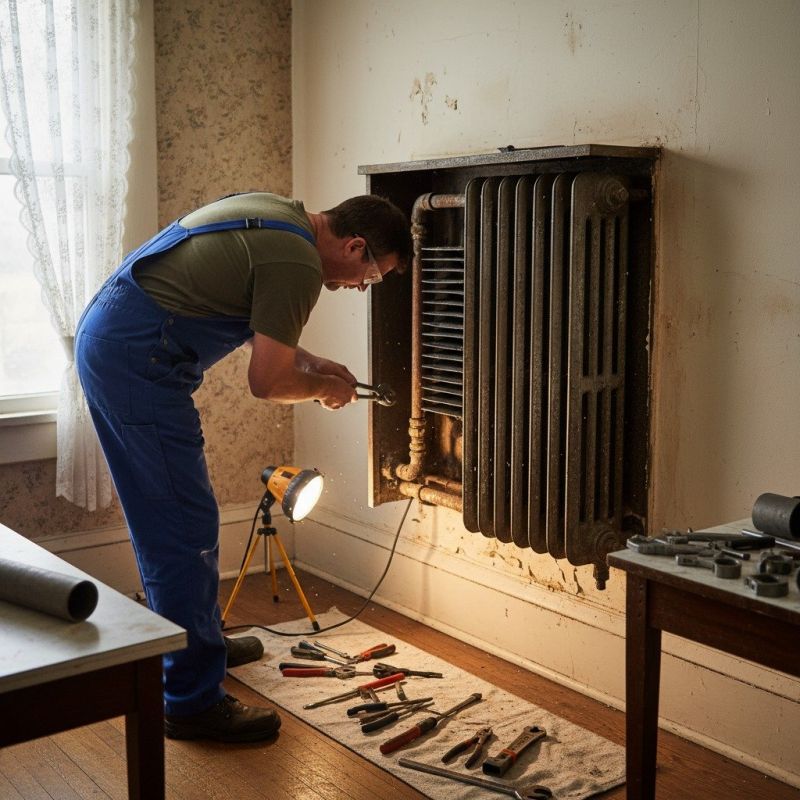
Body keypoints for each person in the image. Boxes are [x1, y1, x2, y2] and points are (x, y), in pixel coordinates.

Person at [75, 191, 410, 742]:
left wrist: (317, 365)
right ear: (355, 246)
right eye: (370, 276)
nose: (358, 287)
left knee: (182, 521)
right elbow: (269, 383)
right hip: (137, 361)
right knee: (181, 528)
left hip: (118, 341)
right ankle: (190, 701)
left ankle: (197, 640)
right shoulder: (298, 263)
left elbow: (266, 340)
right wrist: (323, 389)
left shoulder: (281, 220)